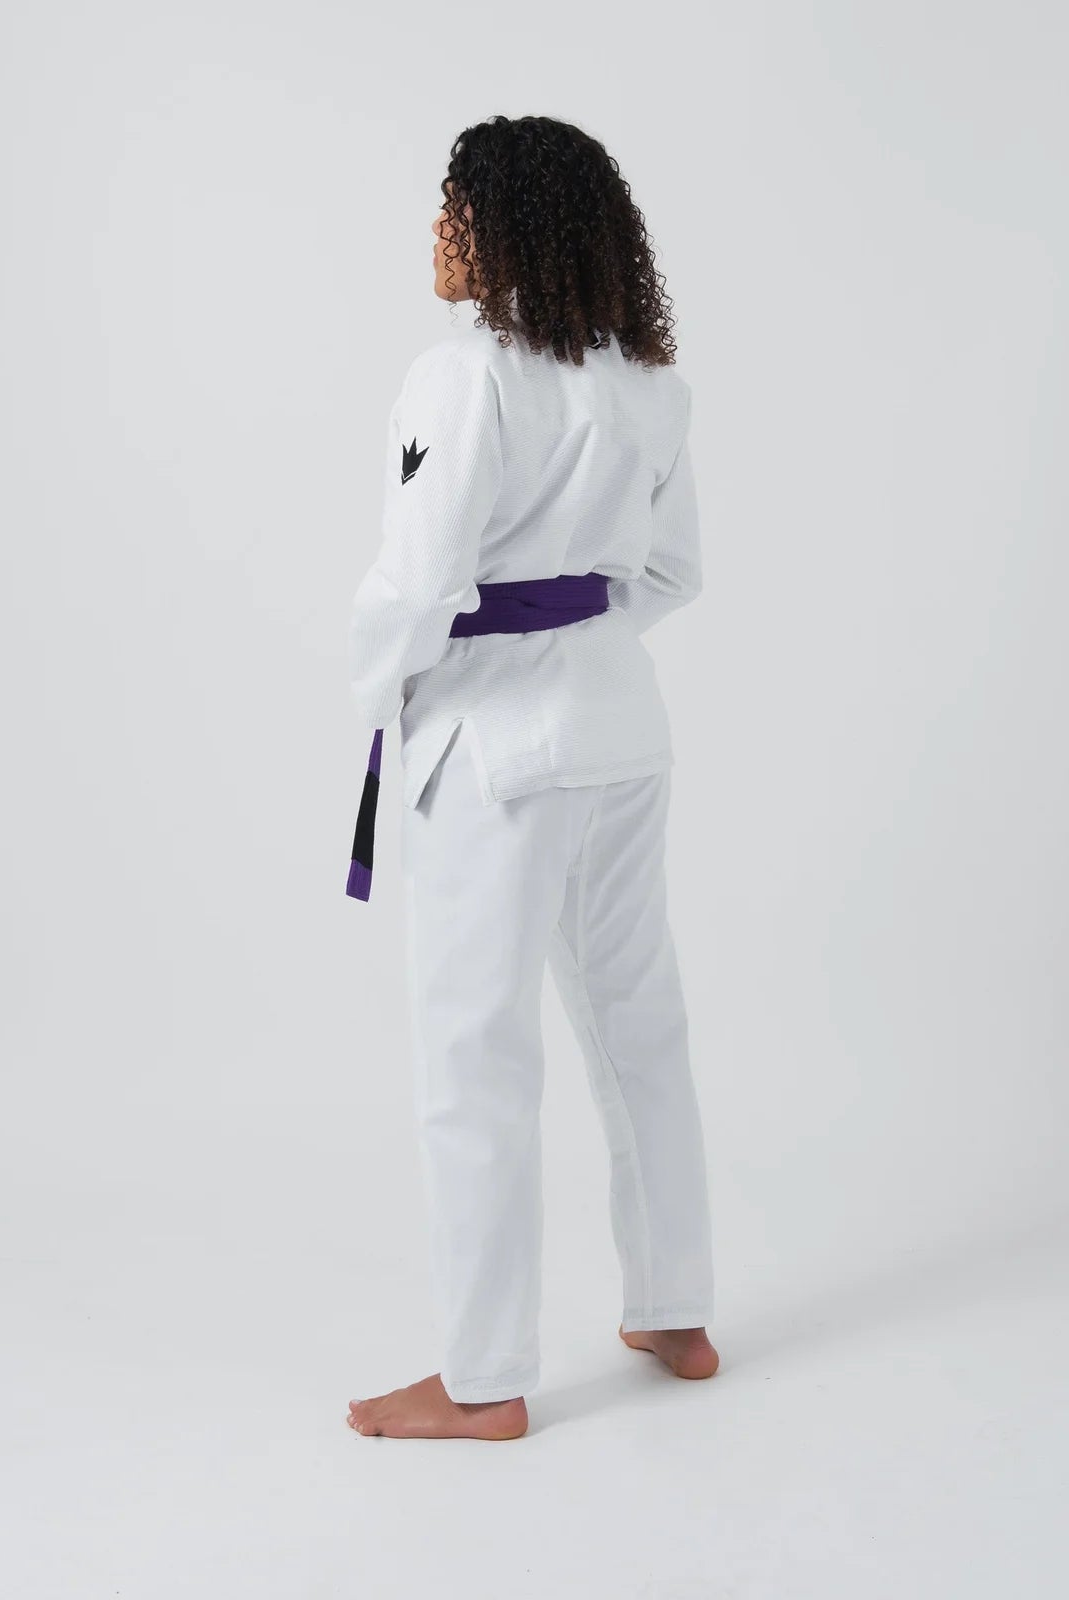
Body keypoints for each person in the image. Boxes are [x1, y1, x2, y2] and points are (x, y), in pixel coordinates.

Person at [344, 115, 717, 1441]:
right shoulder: (649, 383)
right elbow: (671, 573)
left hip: (494, 750)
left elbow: (420, 580)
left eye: (453, 205)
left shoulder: (464, 376)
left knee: (474, 1054)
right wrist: (579, 639)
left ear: (502, 227)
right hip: (621, 725)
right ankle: (675, 1308)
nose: (436, 229)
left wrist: (382, 687)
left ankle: (482, 1379)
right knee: (637, 1022)